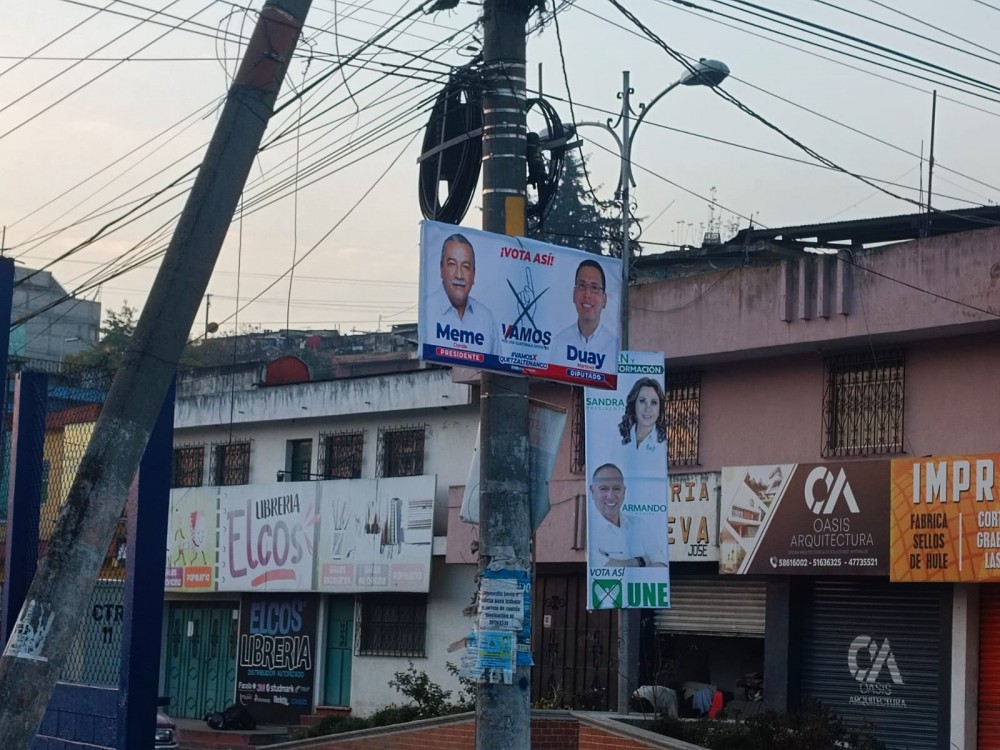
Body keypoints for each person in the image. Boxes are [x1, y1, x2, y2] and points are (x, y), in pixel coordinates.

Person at [428, 233, 498, 355]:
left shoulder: (486, 318)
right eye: (452, 264)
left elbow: (497, 370)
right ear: (441, 269)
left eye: (465, 267)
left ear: (474, 275)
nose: (459, 275)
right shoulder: (427, 309)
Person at [588, 463, 667, 568]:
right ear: (592, 491)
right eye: (604, 489)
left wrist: (618, 564)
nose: (611, 496)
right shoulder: (588, 531)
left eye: (616, 489)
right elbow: (602, 567)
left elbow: (661, 564)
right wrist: (640, 562)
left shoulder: (640, 525)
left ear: (624, 491)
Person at [550, 259, 618, 371]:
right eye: (582, 285)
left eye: (594, 288)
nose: (587, 294)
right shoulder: (560, 342)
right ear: (573, 294)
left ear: (604, 300)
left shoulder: (615, 347)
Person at [618, 378, 667, 455]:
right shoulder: (619, 436)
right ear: (634, 404)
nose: (648, 408)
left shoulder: (664, 442)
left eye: (653, 402)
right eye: (642, 401)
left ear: (660, 409)